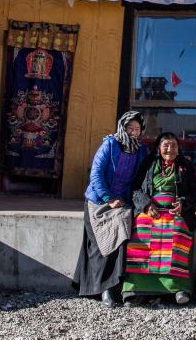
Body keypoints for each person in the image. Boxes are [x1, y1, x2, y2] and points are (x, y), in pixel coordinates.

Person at [73, 111, 147, 308]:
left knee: (124, 230)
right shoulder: (110, 144)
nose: (133, 132)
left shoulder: (141, 150)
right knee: (105, 238)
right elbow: (96, 173)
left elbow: (140, 179)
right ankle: (103, 289)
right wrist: (109, 198)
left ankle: (116, 287)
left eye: (137, 129)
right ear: (122, 127)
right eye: (129, 128)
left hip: (122, 203)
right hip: (99, 201)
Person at [122, 132, 196, 306]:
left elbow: (195, 192)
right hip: (151, 210)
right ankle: (135, 290)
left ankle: (177, 288)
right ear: (158, 148)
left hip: (175, 212)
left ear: (178, 149)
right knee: (140, 231)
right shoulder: (148, 164)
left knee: (177, 233)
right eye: (166, 145)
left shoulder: (185, 165)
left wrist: (183, 204)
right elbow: (135, 189)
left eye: (173, 146)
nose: (170, 149)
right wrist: (146, 205)